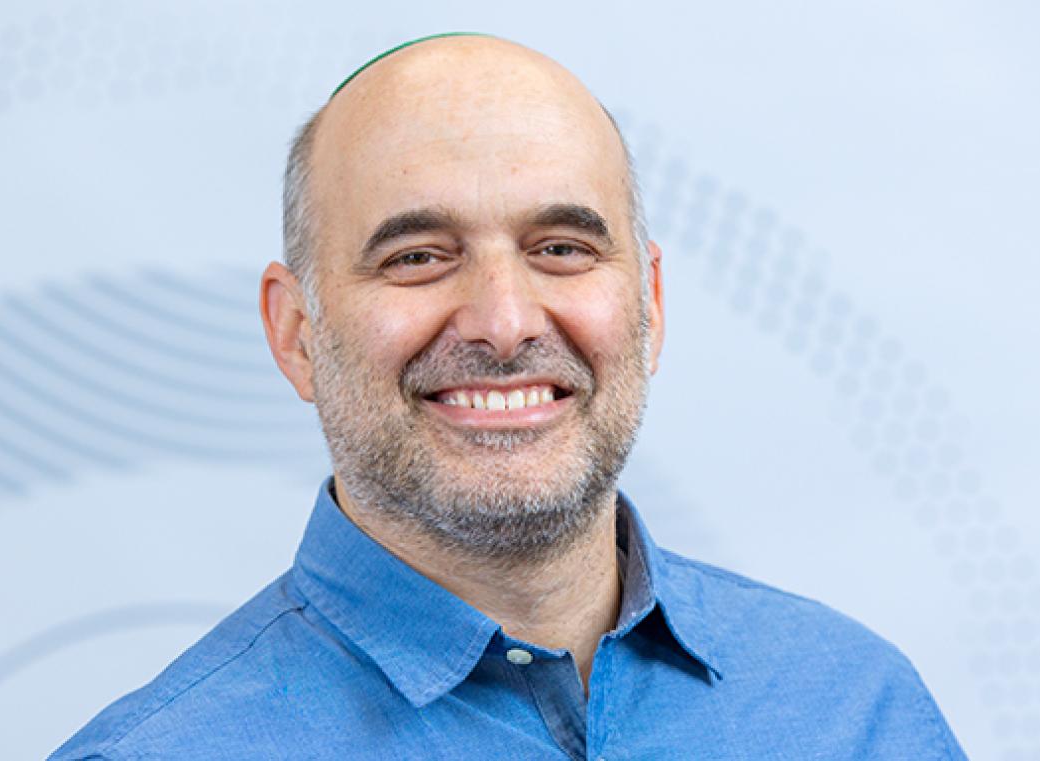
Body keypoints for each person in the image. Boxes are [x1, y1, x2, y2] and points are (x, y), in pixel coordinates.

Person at [50, 33, 966, 760]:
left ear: (649, 303)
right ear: (295, 334)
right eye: (418, 256)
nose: (503, 322)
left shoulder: (855, 708)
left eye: (561, 248)